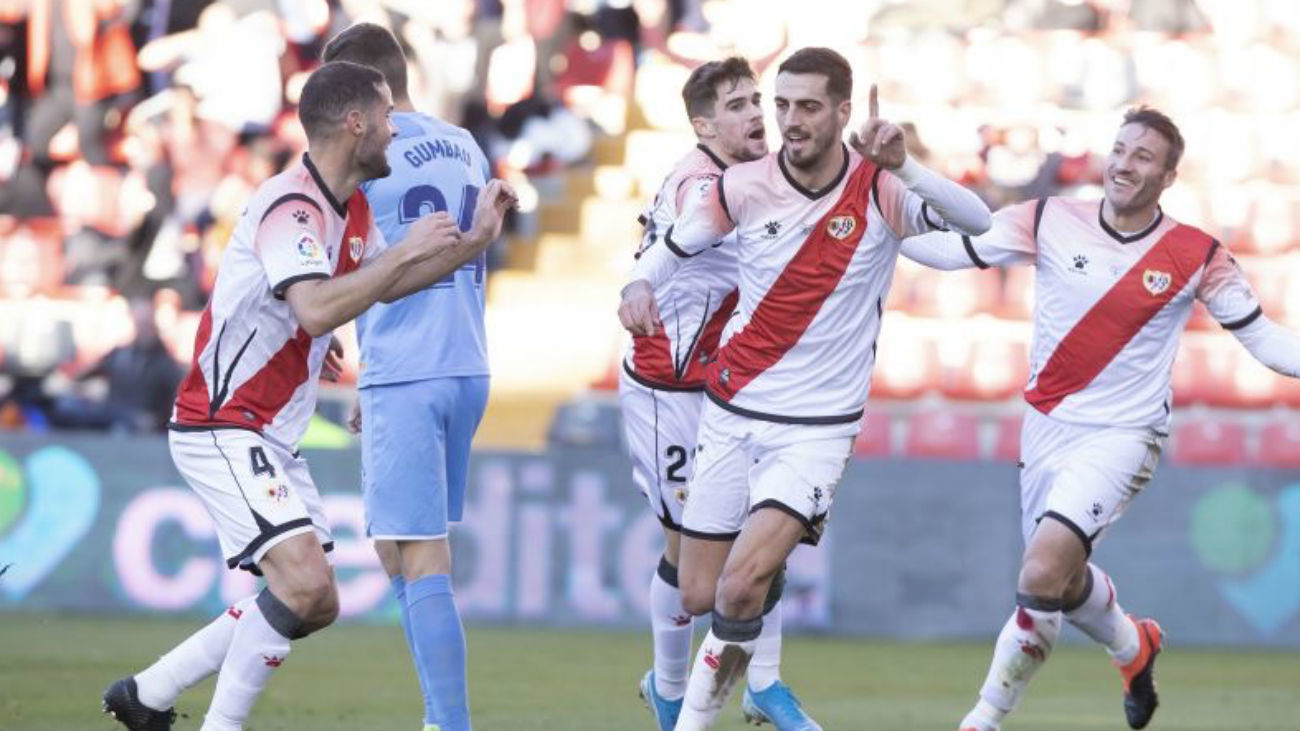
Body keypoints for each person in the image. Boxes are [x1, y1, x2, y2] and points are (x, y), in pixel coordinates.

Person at [101, 59, 515, 731]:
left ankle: (148, 693)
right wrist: (397, 257)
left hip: (267, 430)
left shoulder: (349, 211)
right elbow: (320, 307)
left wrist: (474, 242)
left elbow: (386, 281)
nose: (393, 130)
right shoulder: (291, 205)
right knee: (303, 584)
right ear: (356, 123)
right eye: (385, 118)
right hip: (222, 422)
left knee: (315, 601)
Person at [620, 47, 991, 731]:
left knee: (739, 584)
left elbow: (978, 223)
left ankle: (705, 714)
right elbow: (670, 248)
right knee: (702, 591)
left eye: (808, 107)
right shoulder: (741, 186)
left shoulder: (878, 188)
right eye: (781, 104)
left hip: (815, 429)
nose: (789, 121)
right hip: (730, 410)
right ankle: (736, 680)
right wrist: (640, 282)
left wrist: (905, 163)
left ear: (843, 112)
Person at [897, 107, 1298, 731]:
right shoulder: (1050, 217)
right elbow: (950, 254)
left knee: (1038, 574)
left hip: (1123, 436)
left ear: (1168, 177)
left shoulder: (1196, 253)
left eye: (1143, 156)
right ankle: (1133, 648)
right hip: (1046, 428)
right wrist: (886, 193)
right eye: (1120, 149)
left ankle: (982, 719)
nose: (1125, 164)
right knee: (1058, 580)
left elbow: (1266, 341)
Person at [618, 57, 818, 731]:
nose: (754, 114)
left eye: (755, 100)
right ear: (703, 124)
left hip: (722, 388)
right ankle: (672, 687)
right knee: (693, 550)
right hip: (665, 388)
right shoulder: (701, 185)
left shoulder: (746, 179)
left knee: (765, 528)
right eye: (736, 105)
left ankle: (761, 681)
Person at [321, 22, 496, 731]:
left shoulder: (370, 154)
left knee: (421, 554)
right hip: (467, 358)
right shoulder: (465, 143)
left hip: (408, 365)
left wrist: (374, 368)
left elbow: (355, 265)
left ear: (364, 95)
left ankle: (447, 722)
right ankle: (439, 713)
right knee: (398, 541)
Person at [50, 296, 183, 432]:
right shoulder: (119, 354)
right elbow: (85, 376)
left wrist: (161, 420)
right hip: (112, 416)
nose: (144, 329)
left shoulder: (165, 363)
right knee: (67, 408)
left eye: (147, 324)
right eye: (140, 323)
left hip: (144, 426)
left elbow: (178, 397)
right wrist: (74, 385)